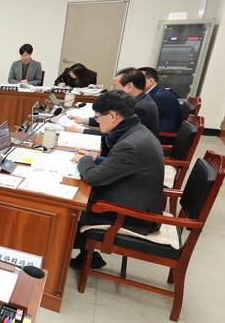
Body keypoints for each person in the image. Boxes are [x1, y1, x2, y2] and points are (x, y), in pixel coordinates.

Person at [69, 90, 164, 269]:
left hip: (134, 215)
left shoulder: (130, 144)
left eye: (98, 116)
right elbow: (124, 164)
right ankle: (89, 255)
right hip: (137, 197)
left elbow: (92, 177)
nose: (97, 121)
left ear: (113, 116)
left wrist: (85, 159)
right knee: (80, 200)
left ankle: (64, 257)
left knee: (69, 216)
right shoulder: (136, 130)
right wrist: (96, 158)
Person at [66, 68, 159, 140]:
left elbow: (116, 134)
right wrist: (83, 120)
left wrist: (80, 130)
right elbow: (110, 121)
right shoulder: (139, 99)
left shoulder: (140, 108)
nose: (113, 91)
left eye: (115, 87)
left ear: (129, 87)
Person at [141, 66, 181, 143]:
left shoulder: (159, 97)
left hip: (162, 137)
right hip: (156, 132)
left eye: (139, 80)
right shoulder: (157, 92)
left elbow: (142, 118)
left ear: (151, 81)